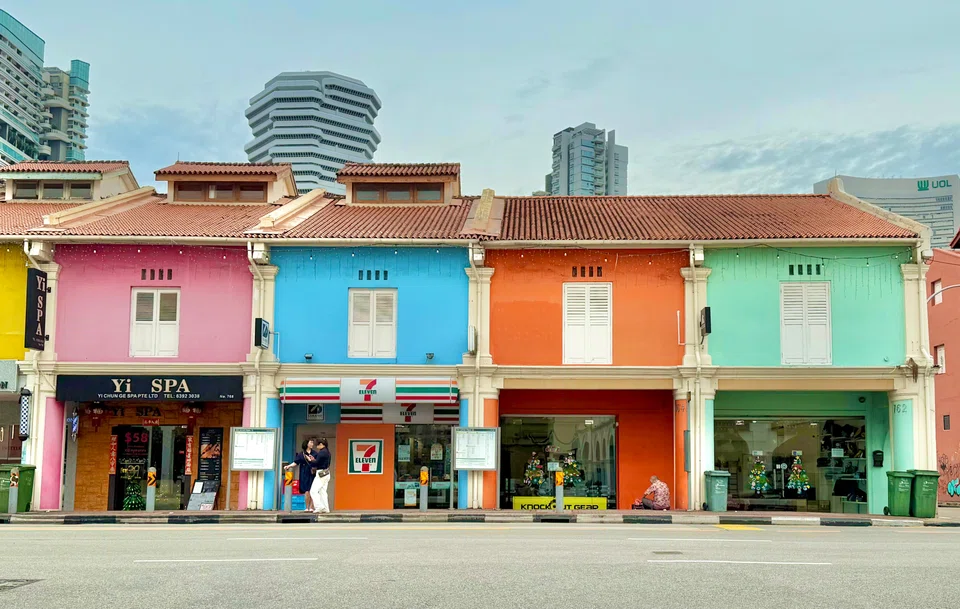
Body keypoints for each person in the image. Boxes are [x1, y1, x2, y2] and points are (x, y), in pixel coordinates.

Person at [285, 439, 320, 512]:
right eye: (311, 442)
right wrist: (288, 466)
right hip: (304, 473)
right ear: (307, 444)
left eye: (312, 442)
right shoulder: (302, 454)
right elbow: (296, 462)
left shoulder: (315, 453)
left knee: (313, 490)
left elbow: (317, 463)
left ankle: (312, 507)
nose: (312, 444)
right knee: (306, 490)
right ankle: (307, 507)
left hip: (312, 473)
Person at [310, 438, 332, 514]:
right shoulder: (328, 452)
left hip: (320, 473)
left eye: (318, 445)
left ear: (321, 444)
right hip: (326, 473)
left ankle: (319, 507)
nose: (316, 446)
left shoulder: (322, 453)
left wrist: (311, 460)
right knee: (323, 491)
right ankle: (326, 508)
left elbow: (316, 463)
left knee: (313, 491)